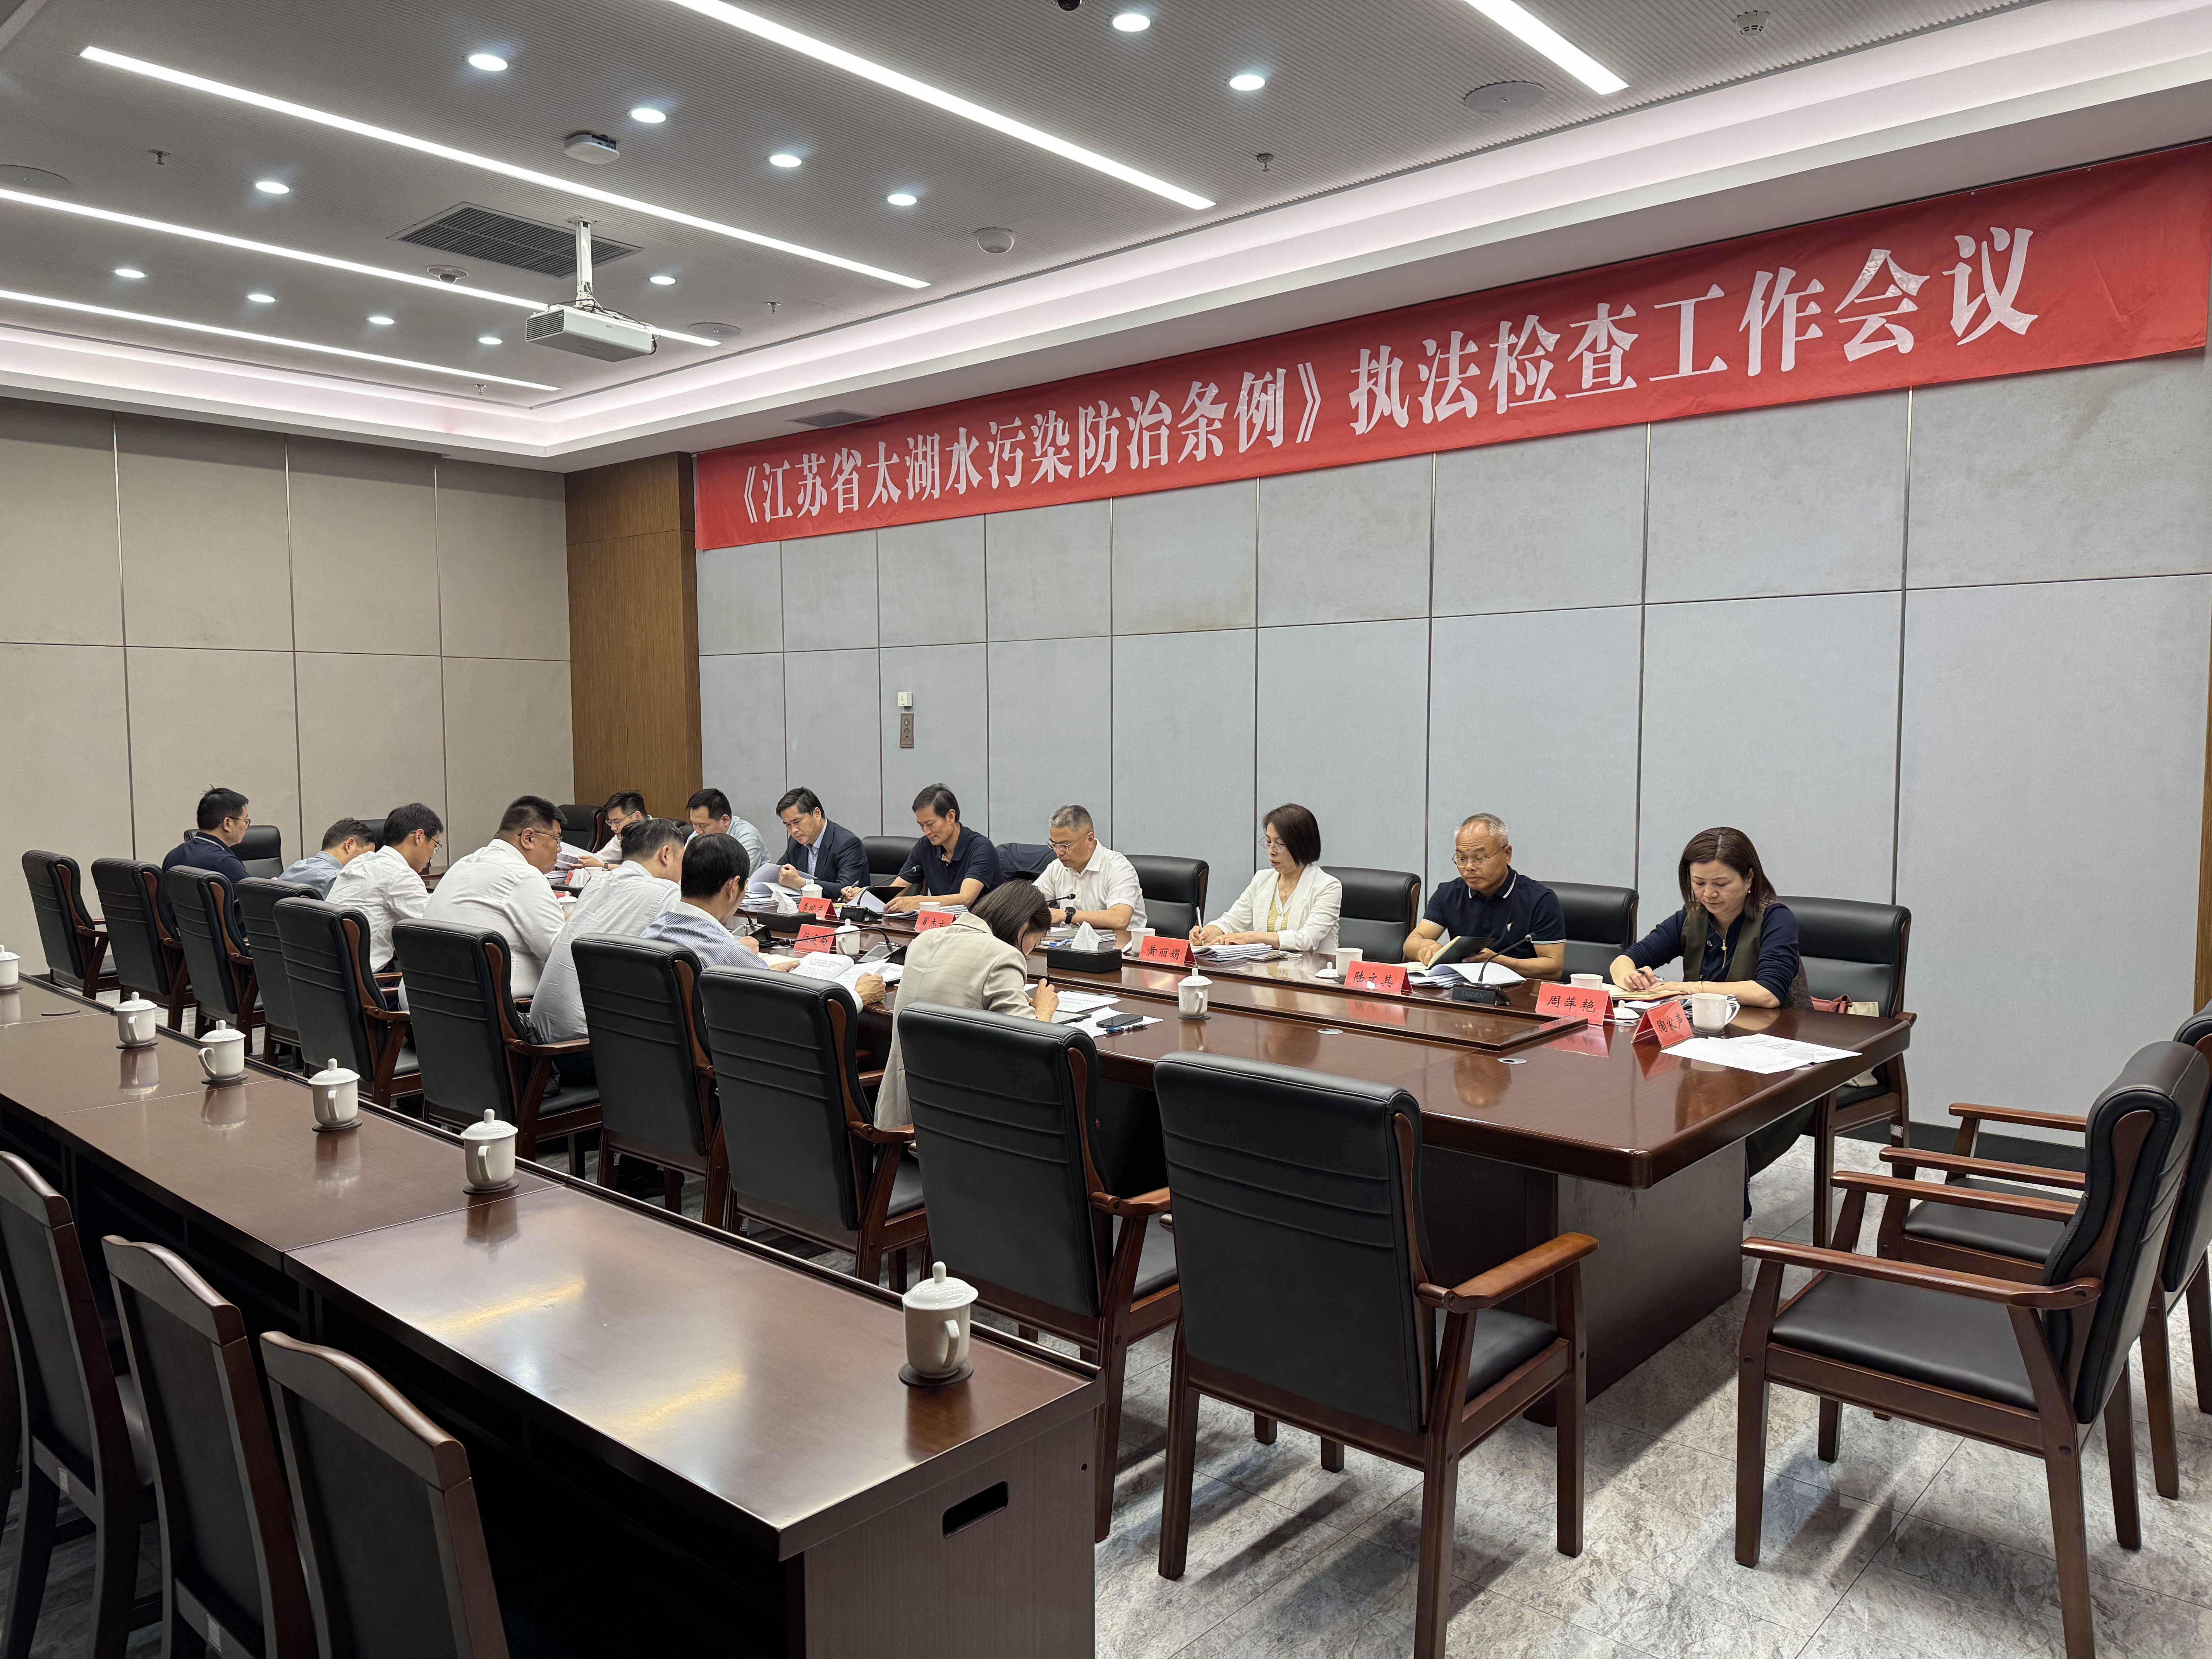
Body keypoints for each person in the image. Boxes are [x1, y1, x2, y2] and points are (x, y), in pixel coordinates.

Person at [1610, 826, 1809, 1193]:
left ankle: (1727, 1204)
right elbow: (1625, 959)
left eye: (1721, 883)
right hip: (1708, 1046)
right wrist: (1631, 977)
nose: (1708, 894)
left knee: (1722, 1115)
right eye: (1698, 883)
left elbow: (1768, 992)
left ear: (1750, 879)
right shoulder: (1692, 917)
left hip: (1774, 1055)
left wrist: (1690, 987)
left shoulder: (1775, 918)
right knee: (1670, 1107)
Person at [874, 881, 1060, 1130]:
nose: (1028, 954)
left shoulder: (925, 939)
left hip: (900, 1108)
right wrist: (1044, 1010)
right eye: (1034, 945)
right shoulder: (1004, 955)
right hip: (961, 1121)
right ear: (1026, 925)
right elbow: (1030, 1046)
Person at [528, 817, 690, 1043]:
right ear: (666, 854)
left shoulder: (597, 883)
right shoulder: (666, 891)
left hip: (541, 1029)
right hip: (585, 1041)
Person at [422, 796, 567, 994]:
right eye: (557, 839)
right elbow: (561, 956)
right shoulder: (523, 875)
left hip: (424, 1000)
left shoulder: (463, 864)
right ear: (528, 838)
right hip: (490, 1006)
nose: (559, 848)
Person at [1403, 813, 1566, 979]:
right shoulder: (1448, 894)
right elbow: (1411, 943)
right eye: (1462, 858)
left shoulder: (1539, 899)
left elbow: (1553, 967)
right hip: (1462, 988)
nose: (1469, 867)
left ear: (1507, 854)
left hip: (1520, 990)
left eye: (1480, 858)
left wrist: (1499, 962)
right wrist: (1425, 947)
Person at [1191, 803, 1342, 955]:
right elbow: (1233, 920)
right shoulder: (1262, 879)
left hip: (1314, 968)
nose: (1271, 851)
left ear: (1301, 845)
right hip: (1267, 967)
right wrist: (1208, 932)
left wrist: (1251, 937)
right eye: (1269, 842)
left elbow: (1307, 939)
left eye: (1280, 844)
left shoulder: (1328, 886)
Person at [326, 804, 441, 971]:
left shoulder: (359, 862)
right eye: (435, 846)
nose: (432, 855)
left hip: (332, 975)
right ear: (419, 837)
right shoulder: (399, 874)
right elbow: (437, 927)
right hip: (369, 981)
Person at [883, 784, 1002, 913]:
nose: (926, 832)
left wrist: (917, 902)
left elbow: (966, 900)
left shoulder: (982, 848)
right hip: (943, 923)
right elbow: (895, 890)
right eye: (922, 825)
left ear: (951, 817)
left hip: (983, 922)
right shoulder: (925, 846)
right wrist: (871, 898)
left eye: (930, 824)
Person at [1031, 805, 1145, 931]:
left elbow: (1119, 919)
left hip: (1118, 943)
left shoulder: (1118, 867)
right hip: (1067, 941)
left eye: (1065, 845)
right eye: (1054, 844)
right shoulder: (1057, 867)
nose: (1059, 852)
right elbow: (1029, 903)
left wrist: (1065, 915)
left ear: (1090, 840)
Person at [773, 787, 868, 895]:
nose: (793, 830)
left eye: (797, 822)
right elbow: (778, 871)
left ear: (817, 814)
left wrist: (803, 884)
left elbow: (846, 889)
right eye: (788, 825)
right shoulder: (796, 842)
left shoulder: (848, 844)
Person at [161, 787, 252, 887]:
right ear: (228, 824)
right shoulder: (226, 863)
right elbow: (252, 895)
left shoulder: (173, 855)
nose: (246, 826)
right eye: (245, 820)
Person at [277, 818, 376, 898]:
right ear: (349, 845)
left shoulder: (296, 867)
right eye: (367, 856)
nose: (369, 863)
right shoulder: (338, 881)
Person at [687, 787, 768, 875]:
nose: (698, 831)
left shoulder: (747, 836)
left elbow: (737, 879)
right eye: (694, 824)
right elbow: (684, 870)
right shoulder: (698, 834)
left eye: (703, 826)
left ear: (725, 820)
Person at [594, 791, 649, 862]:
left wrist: (605, 866)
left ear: (637, 817)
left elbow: (643, 868)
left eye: (617, 822)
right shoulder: (622, 837)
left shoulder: (658, 836)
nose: (613, 828)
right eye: (611, 823)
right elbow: (600, 858)